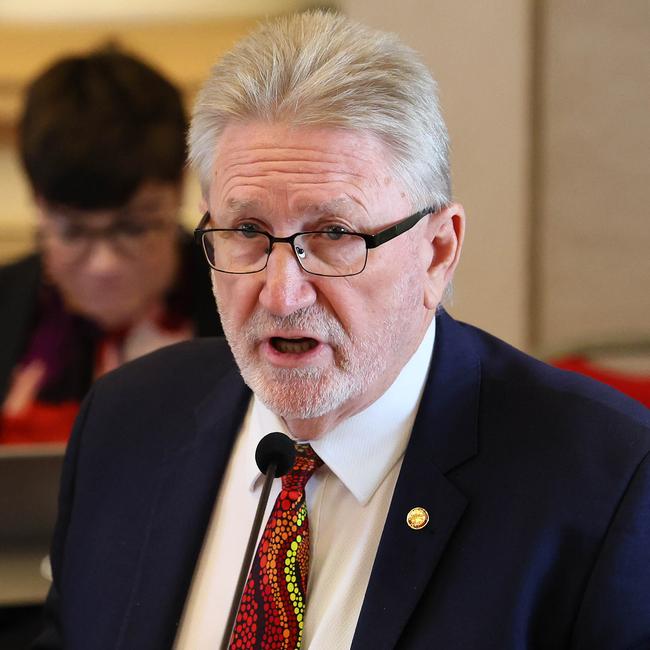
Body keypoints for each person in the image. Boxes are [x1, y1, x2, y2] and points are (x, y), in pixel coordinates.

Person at [33, 12, 649, 650]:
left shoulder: (602, 483)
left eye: (333, 235)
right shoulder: (125, 422)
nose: (281, 292)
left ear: (438, 251)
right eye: (247, 232)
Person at [0, 47, 222, 444]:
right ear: (37, 202)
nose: (104, 264)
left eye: (134, 228)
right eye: (73, 232)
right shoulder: (8, 300)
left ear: (179, 190)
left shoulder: (243, 296)